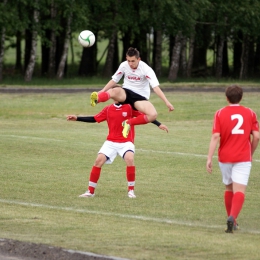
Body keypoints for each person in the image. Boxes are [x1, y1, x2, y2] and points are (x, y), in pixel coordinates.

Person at [67, 102, 168, 198]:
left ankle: (131, 191)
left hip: (126, 141)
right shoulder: (108, 108)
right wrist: (77, 118)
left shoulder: (129, 107)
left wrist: (159, 124)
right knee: (98, 161)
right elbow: (95, 118)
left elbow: (147, 116)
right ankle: (90, 191)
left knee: (129, 159)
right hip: (111, 142)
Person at [206, 85, 259, 233]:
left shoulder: (220, 113)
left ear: (226, 98)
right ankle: (232, 218)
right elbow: (257, 136)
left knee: (229, 188)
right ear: (241, 97)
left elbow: (215, 136)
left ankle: (232, 220)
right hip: (243, 157)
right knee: (240, 190)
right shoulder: (250, 113)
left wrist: (209, 158)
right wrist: (251, 152)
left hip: (225, 157)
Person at [90, 47, 174, 138]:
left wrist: (167, 102)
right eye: (128, 60)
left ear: (139, 59)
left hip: (140, 97)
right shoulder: (124, 65)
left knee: (153, 115)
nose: (130, 63)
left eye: (133, 61)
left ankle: (128, 123)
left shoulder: (146, 69)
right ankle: (97, 99)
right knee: (114, 90)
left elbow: (156, 88)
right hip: (126, 92)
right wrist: (102, 90)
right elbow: (114, 80)